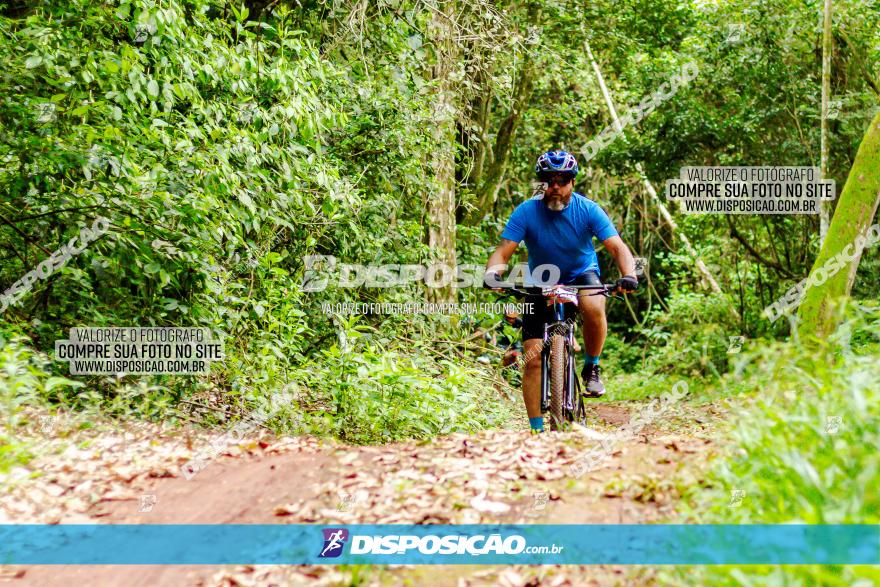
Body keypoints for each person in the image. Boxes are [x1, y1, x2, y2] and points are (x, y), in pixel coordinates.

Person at [483, 150, 638, 433]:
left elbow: (617, 247)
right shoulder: (526, 211)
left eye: (562, 180)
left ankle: (592, 366)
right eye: (548, 180)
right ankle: (536, 430)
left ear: (572, 182)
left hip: (581, 274)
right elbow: (503, 252)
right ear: (541, 183)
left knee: (593, 306)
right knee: (531, 356)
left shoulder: (588, 209)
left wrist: (628, 274)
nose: (555, 187)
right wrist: (493, 273)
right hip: (540, 279)